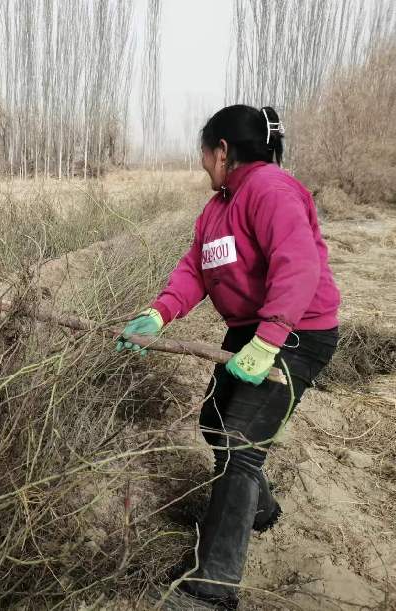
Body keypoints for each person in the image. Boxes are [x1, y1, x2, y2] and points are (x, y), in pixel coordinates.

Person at [117, 105, 340, 609]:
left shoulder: (270, 189)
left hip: (298, 331)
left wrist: (270, 338)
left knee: (241, 439)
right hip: (252, 329)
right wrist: (158, 314)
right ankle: (254, 509)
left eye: (203, 150)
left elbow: (297, 264)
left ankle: (211, 586)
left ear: (222, 150)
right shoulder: (218, 207)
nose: (200, 161)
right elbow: (194, 270)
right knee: (215, 419)